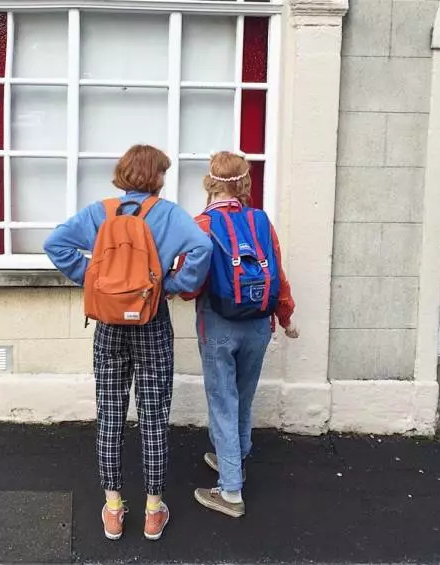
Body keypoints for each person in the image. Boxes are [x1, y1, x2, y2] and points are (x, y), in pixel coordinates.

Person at [44, 145, 212, 541]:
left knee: (110, 414)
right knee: (154, 416)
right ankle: (153, 510)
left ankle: (114, 509)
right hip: (152, 319)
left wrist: (94, 280)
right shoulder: (169, 214)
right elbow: (202, 248)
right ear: (157, 178)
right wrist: (171, 285)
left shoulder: (100, 212)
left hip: (108, 323)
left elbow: (55, 244)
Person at [180, 151, 298, 518]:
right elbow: (277, 274)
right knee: (242, 398)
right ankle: (234, 459)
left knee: (222, 402)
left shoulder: (201, 225)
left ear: (210, 183)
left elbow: (189, 288)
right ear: (245, 183)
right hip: (259, 325)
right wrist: (286, 317)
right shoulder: (261, 221)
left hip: (218, 325)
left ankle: (231, 491)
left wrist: (171, 285)